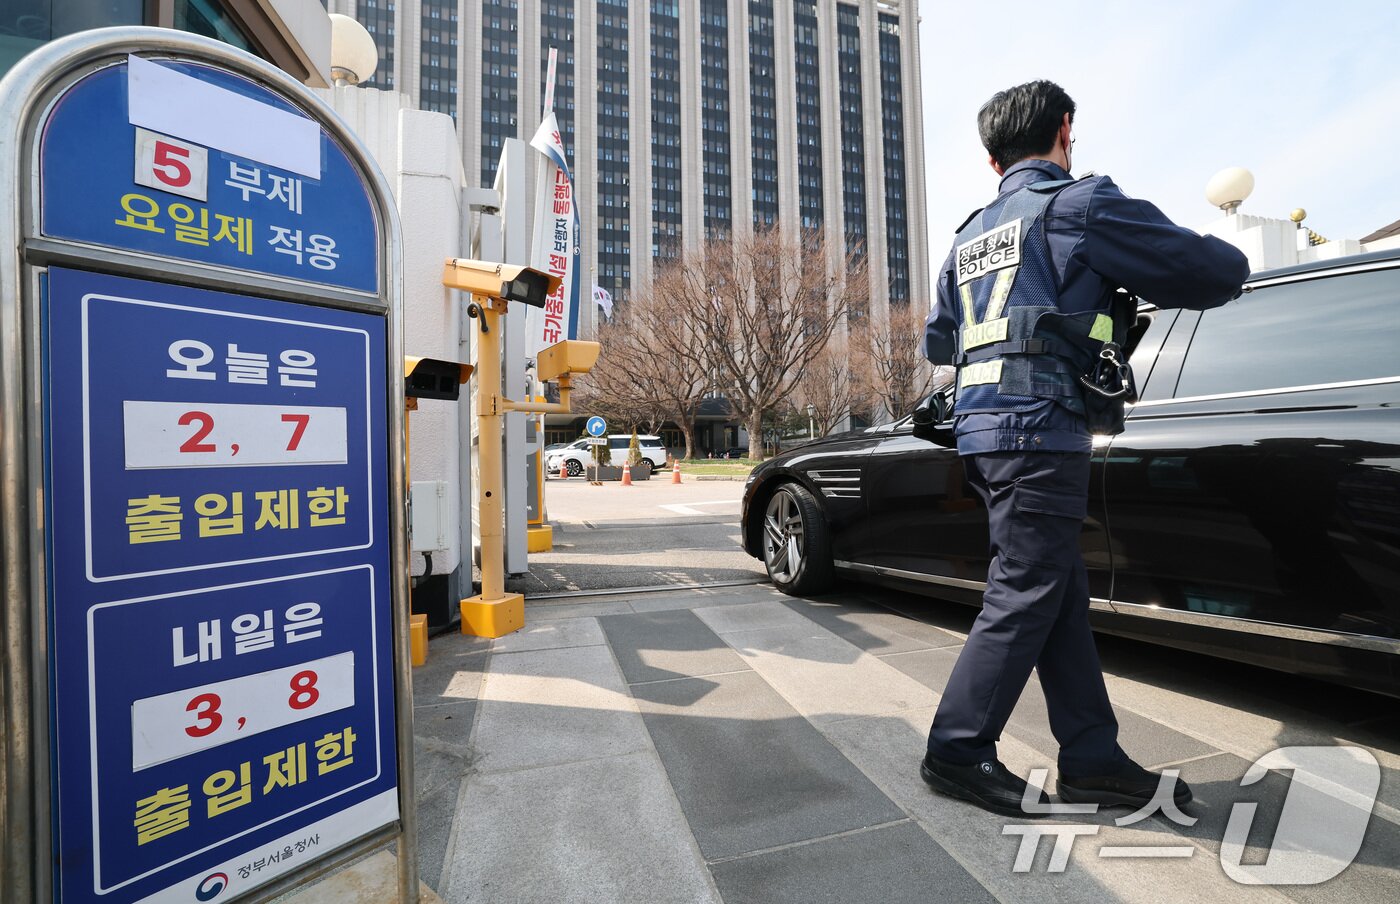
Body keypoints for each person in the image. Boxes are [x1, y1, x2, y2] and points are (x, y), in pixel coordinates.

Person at [920, 80, 1250, 818]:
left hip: (981, 429)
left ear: (992, 159)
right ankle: (957, 749)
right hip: (1040, 426)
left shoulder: (969, 235)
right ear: (1065, 129)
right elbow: (1208, 272)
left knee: (1054, 588)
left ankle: (1092, 759)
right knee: (1027, 587)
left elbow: (940, 339)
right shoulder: (1080, 204)